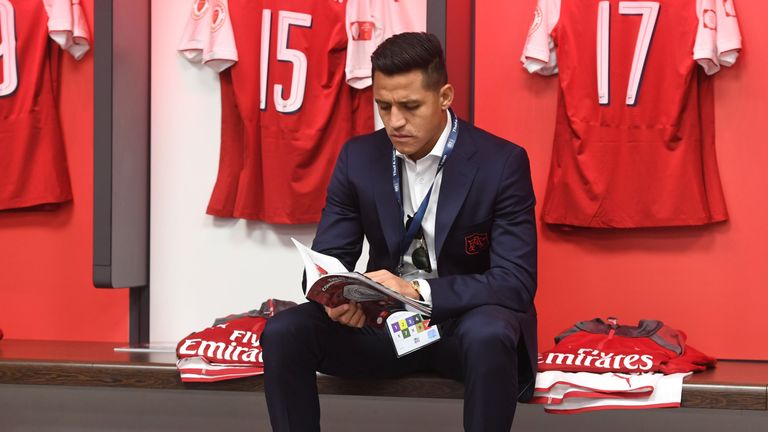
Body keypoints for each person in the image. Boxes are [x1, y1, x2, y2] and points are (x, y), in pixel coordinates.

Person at [261, 32, 538, 432]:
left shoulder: (502, 163)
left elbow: (515, 283)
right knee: (284, 331)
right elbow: (329, 257)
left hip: (460, 327)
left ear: (444, 97)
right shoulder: (358, 157)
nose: (394, 121)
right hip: (382, 325)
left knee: (491, 331)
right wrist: (336, 297)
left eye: (410, 106)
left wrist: (418, 292)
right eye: (383, 106)